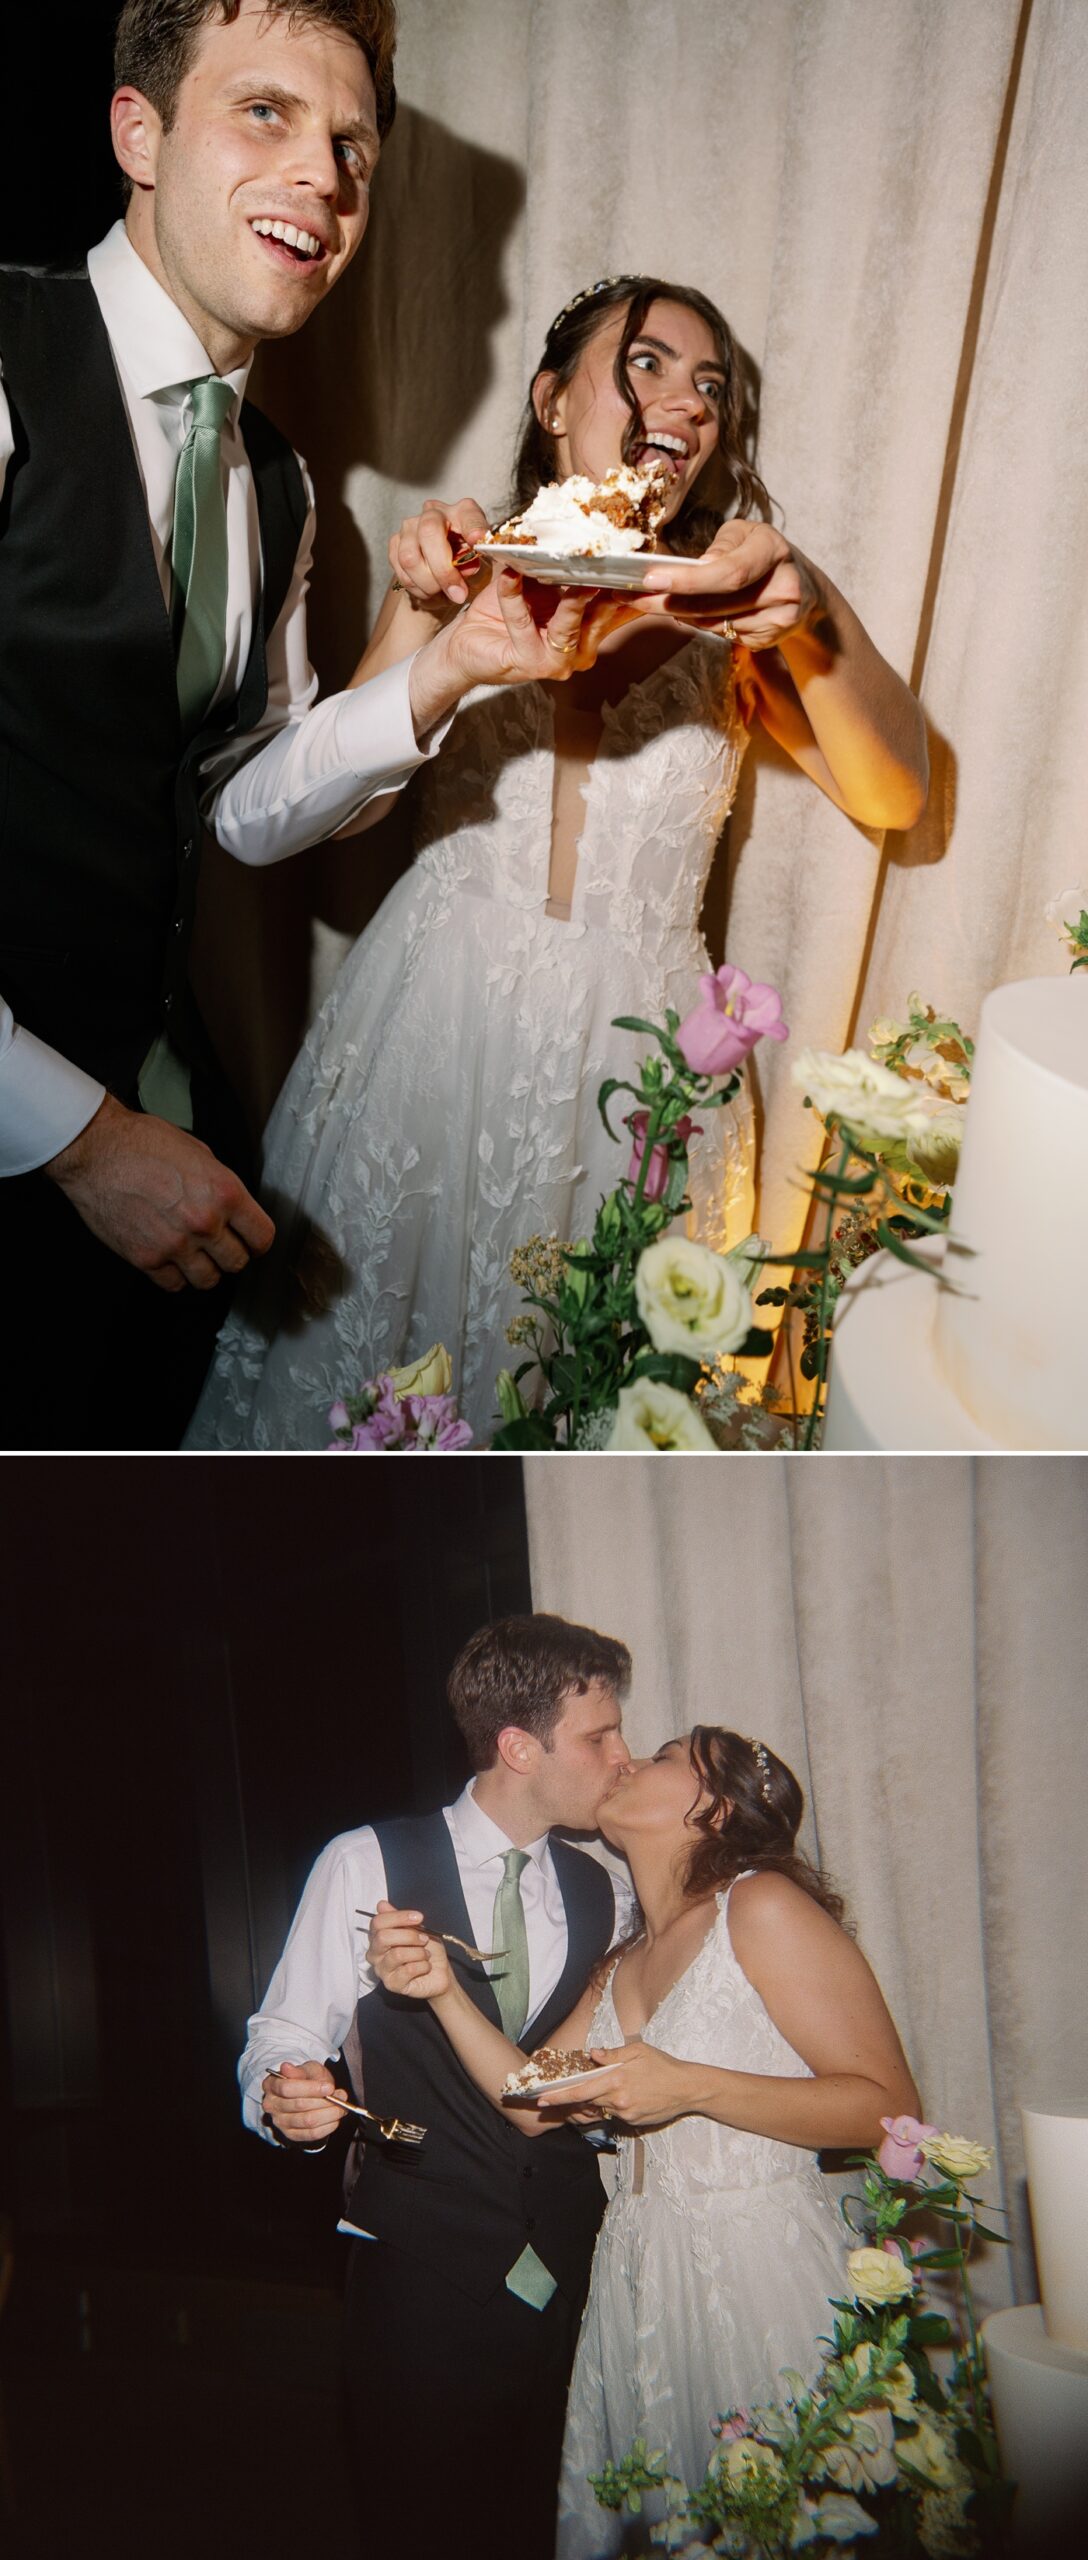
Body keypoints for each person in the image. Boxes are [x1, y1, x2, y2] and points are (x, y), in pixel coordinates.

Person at [0, 0, 616, 1452]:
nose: (325, 178)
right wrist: (79, 1140)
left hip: (151, 1128)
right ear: (136, 132)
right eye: (265, 115)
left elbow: (240, 805)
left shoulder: (277, 485)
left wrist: (449, 667)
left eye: (350, 145)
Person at [189, 269, 929, 1449]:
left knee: (590, 1401)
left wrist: (812, 607)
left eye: (709, 385)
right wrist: (413, 606)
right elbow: (334, 816)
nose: (683, 401)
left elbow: (896, 795)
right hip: (432, 1021)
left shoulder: (728, 612)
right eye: (644, 362)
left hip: (638, 1070)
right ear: (549, 400)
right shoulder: (464, 564)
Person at [373, 1724, 920, 2560]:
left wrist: (692, 2085)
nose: (629, 1761)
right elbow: (529, 2101)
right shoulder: (623, 1960)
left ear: (716, 1806)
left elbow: (887, 2106)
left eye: (666, 1757)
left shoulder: (762, 1906)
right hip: (639, 2271)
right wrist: (445, 1993)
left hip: (757, 2268)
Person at [241, 1613, 637, 2560]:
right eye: (599, 1736)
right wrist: (283, 2098)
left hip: (574, 2266)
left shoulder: (606, 1891)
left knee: (549, 2518)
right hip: (419, 2273)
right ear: (517, 1745)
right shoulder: (364, 1861)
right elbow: (283, 2035)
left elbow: (591, 2071)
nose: (621, 1757)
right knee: (422, 2523)